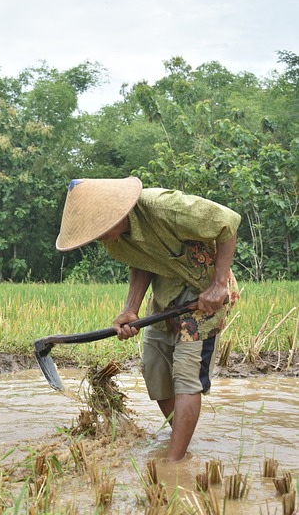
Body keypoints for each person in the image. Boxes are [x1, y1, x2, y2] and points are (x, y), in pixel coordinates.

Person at [56, 176, 241, 462]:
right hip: (165, 299)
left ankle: (174, 462)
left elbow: (228, 222)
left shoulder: (166, 207)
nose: (97, 236)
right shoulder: (114, 239)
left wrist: (219, 284)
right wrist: (131, 308)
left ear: (117, 212)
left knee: (186, 377)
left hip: (205, 297)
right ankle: (180, 440)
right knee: (154, 370)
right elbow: (142, 262)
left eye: (99, 227)